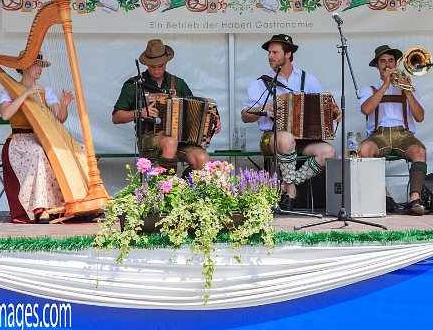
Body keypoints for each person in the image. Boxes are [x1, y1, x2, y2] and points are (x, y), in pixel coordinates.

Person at [240, 34, 340, 211]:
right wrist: (266, 107)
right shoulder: (261, 84)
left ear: (288, 54)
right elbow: (245, 115)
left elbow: (323, 106)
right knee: (285, 138)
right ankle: (292, 191)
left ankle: (287, 185)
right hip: (271, 138)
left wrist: (333, 111)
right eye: (269, 52)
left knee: (329, 151)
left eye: (275, 52)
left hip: (302, 139)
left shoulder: (307, 79)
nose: (270, 56)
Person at [112, 39, 220, 177]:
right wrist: (139, 113)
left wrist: (214, 119)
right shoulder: (134, 84)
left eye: (160, 66)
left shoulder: (178, 83)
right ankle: (164, 191)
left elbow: (197, 112)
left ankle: (185, 189)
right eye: (152, 67)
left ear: (166, 63)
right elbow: (116, 117)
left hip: (181, 140)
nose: (156, 70)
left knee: (202, 158)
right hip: (149, 138)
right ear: (146, 64)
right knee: (170, 143)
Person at [0, 51, 70, 224]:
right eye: (36, 64)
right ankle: (40, 209)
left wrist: (64, 106)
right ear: (23, 67)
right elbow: (5, 115)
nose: (40, 69)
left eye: (41, 65)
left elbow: (59, 119)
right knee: (38, 153)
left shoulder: (46, 92)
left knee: (76, 150)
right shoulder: (9, 90)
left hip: (41, 138)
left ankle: (65, 205)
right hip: (19, 142)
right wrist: (25, 94)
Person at [359, 45, 428, 216]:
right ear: (377, 66)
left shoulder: (408, 88)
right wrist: (385, 84)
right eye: (383, 61)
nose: (387, 65)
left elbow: (419, 117)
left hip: (403, 135)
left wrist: (408, 91)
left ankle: (414, 198)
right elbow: (366, 110)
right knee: (362, 150)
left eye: (390, 61)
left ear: (396, 64)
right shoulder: (369, 89)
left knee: (419, 151)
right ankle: (385, 196)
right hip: (379, 135)